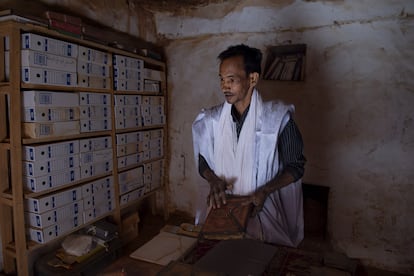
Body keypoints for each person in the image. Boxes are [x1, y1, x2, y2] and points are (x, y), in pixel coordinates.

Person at [192, 44, 306, 247]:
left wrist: (265, 190)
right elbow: (202, 159)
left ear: (252, 79)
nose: (224, 86)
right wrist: (213, 180)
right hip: (223, 213)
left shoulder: (277, 119)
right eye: (221, 79)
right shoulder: (212, 120)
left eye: (231, 80)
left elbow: (295, 166)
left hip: (264, 213)